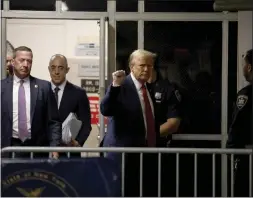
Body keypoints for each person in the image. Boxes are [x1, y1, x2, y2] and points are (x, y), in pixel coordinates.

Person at [100, 49, 159, 196]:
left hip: (143, 156)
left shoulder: (148, 88)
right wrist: (114, 87)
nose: (146, 69)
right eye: (142, 65)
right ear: (132, 67)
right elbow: (105, 109)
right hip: (123, 157)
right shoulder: (121, 86)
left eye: (150, 66)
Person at [1, 46, 61, 159]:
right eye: (21, 60)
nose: (25, 64)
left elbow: (54, 121)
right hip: (8, 148)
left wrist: (55, 147)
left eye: (29, 61)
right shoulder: (2, 87)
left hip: (37, 149)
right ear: (13, 62)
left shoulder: (44, 87)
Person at [147, 65, 182, 196]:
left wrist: (148, 136)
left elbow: (173, 123)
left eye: (146, 65)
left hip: (159, 150)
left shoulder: (167, 89)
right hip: (135, 153)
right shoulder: (132, 89)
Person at [48, 54, 91, 153]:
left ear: (67, 70)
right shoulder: (42, 91)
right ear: (49, 69)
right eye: (53, 68)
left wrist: (77, 143)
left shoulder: (79, 93)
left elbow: (86, 124)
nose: (56, 72)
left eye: (61, 68)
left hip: (69, 151)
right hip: (45, 151)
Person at [226, 49, 252, 197]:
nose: (243, 68)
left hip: (247, 156)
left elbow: (237, 124)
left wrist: (231, 150)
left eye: (244, 64)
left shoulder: (246, 94)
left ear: (249, 67)